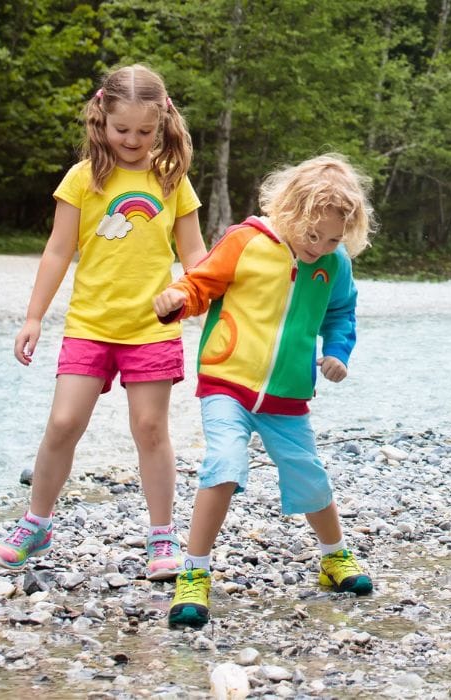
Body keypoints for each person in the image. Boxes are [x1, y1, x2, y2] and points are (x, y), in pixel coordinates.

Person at [0, 64, 207, 582]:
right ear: (102, 121)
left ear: (163, 124)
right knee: (64, 423)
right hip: (89, 325)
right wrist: (34, 317)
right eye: (121, 129)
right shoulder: (84, 178)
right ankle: (36, 523)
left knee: (151, 429)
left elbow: (194, 250)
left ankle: (161, 538)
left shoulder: (172, 179)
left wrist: (201, 294)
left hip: (152, 327)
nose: (132, 140)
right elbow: (58, 250)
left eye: (144, 132)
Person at [153, 153, 375, 629]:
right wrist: (176, 300)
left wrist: (338, 352)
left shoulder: (333, 264)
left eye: (333, 238)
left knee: (309, 473)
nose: (320, 246)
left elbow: (341, 315)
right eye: (312, 235)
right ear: (291, 212)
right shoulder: (247, 241)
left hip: (287, 394)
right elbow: (201, 284)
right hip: (227, 382)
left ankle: (334, 556)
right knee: (224, 465)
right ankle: (194, 573)